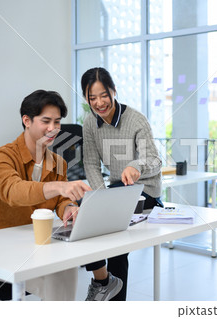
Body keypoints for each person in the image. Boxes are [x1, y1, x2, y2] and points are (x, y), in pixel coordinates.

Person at [0, 89, 123, 301]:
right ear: (26, 120)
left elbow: (62, 199)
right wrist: (57, 187)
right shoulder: (1, 157)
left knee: (65, 266)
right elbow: (13, 191)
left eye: (57, 122)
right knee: (56, 274)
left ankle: (101, 283)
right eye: (46, 121)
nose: (53, 129)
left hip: (32, 240)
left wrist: (69, 207)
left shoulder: (58, 162)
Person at [81, 67, 163, 301]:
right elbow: (90, 163)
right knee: (83, 212)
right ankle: (103, 281)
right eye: (92, 98)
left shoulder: (136, 119)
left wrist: (136, 167)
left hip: (146, 191)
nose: (99, 103)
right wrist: (100, 198)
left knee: (116, 243)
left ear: (114, 91)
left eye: (103, 95)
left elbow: (155, 161)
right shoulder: (89, 123)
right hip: (117, 191)